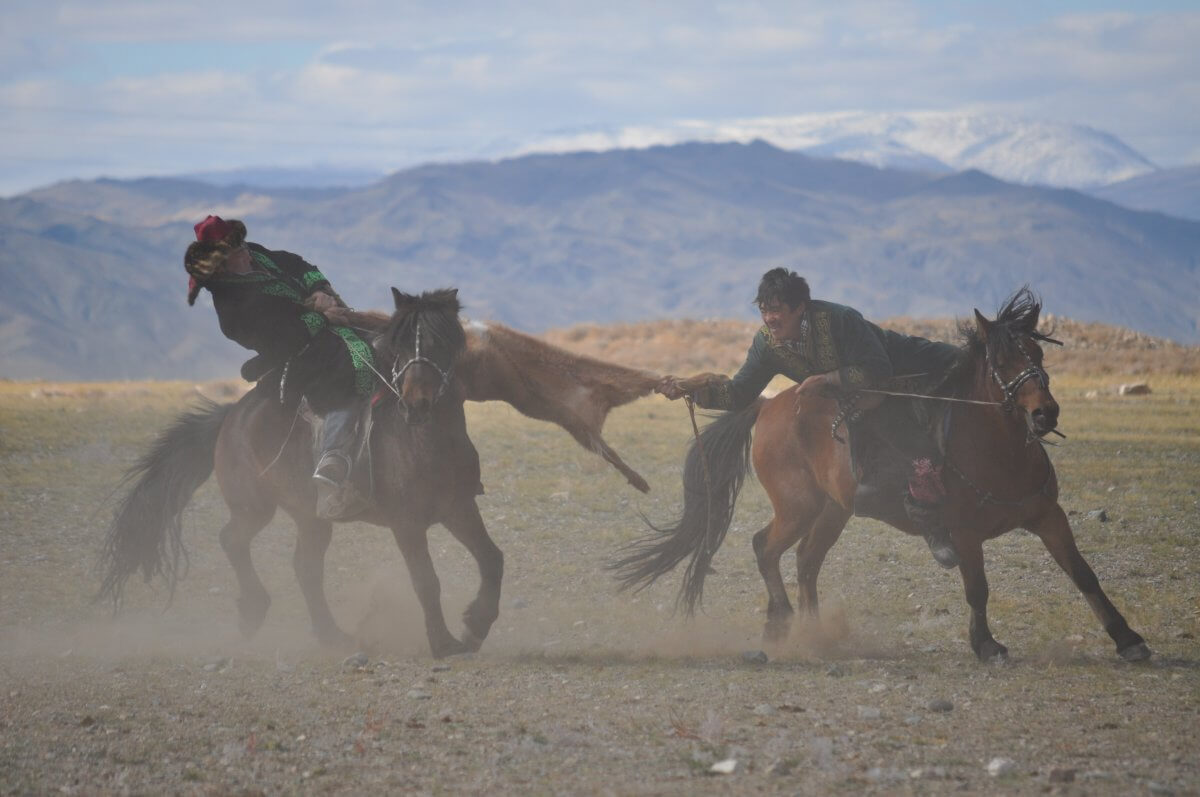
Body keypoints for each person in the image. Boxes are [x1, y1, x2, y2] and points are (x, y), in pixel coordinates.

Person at [656, 267, 963, 568]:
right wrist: (692, 391)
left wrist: (828, 379)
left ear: (799, 308)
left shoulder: (840, 320)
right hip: (858, 403)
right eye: (764, 310)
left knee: (922, 449)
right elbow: (740, 394)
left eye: (776, 310)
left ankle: (935, 530)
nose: (769, 318)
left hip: (905, 372)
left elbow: (878, 368)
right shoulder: (766, 344)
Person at [184, 215, 376, 520]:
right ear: (220, 265)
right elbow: (282, 340)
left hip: (334, 327)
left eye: (243, 245)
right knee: (348, 375)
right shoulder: (231, 312)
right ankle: (333, 460)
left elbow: (298, 265)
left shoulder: (256, 254)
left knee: (390, 347)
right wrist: (323, 319)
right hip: (297, 356)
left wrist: (321, 291)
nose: (246, 253)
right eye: (237, 253)